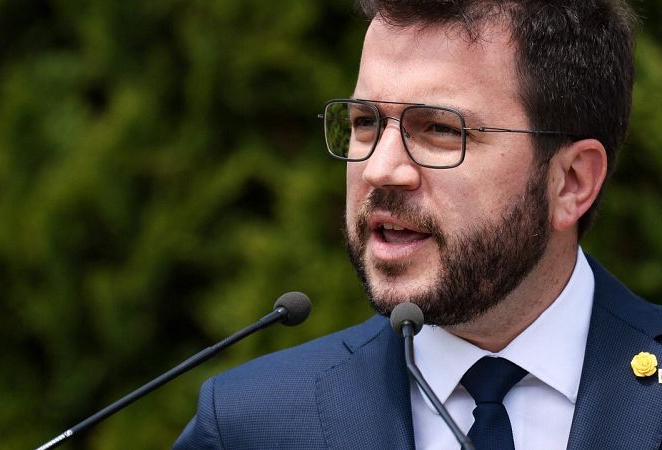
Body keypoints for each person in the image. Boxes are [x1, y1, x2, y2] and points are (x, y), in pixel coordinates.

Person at [175, 0, 662, 448]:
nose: (380, 169)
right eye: (365, 122)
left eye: (440, 129)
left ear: (571, 182)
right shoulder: (251, 424)